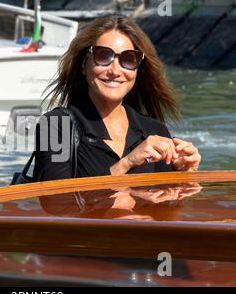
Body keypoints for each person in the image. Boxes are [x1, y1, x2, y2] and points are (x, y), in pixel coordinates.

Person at [33, 14, 201, 181]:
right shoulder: (55, 126)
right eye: (103, 56)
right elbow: (55, 203)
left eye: (128, 59)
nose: (115, 71)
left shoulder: (155, 131)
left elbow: (166, 206)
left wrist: (184, 176)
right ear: (84, 64)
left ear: (138, 70)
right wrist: (126, 163)